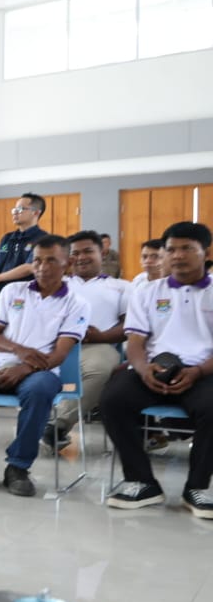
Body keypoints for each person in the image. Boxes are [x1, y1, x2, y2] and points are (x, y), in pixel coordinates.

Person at [0, 235, 88, 497]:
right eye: (37, 260)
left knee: (39, 391)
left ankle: (18, 466)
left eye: (51, 260)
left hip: (43, 370)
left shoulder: (76, 303)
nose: (42, 266)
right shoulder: (13, 291)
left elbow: (60, 353)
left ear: (66, 263)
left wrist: (24, 368)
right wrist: (19, 351)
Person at [102, 222, 213, 518]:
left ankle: (197, 487)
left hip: (204, 371)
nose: (177, 255)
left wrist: (198, 372)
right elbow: (135, 340)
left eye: (187, 248)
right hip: (154, 366)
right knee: (113, 401)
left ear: (205, 252)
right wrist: (141, 369)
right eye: (171, 249)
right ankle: (141, 481)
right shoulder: (148, 291)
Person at [44, 231, 127, 450]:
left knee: (101, 369)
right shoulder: (55, 284)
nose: (81, 257)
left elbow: (129, 326)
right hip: (53, 345)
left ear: (102, 252)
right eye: (75, 253)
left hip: (97, 345)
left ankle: (57, 425)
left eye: (88, 251)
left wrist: (102, 336)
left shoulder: (121, 287)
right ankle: (33, 421)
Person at [0, 192, 48, 307]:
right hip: (0, 295)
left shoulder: (42, 238)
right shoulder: (7, 239)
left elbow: (29, 267)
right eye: (14, 209)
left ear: (36, 213)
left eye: (21, 209)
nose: (15, 212)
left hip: (23, 297)